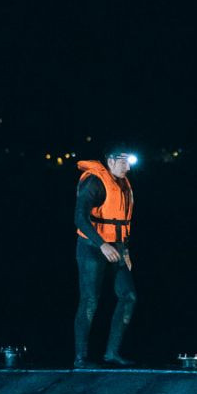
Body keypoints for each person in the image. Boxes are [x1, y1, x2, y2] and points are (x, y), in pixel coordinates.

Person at [74, 146, 140, 368]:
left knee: (129, 296)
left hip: (117, 248)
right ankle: (81, 358)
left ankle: (112, 353)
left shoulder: (123, 183)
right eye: (124, 162)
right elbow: (80, 218)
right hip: (92, 246)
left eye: (130, 162)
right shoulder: (94, 181)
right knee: (90, 299)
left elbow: (121, 221)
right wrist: (101, 244)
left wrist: (125, 251)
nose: (128, 167)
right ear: (111, 161)